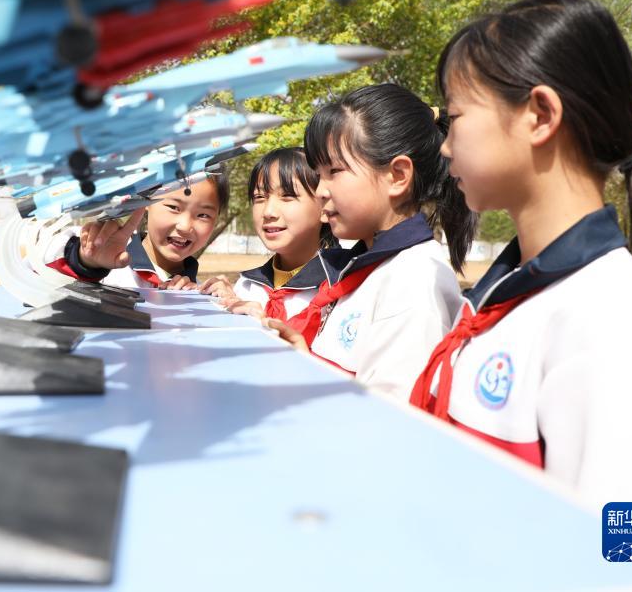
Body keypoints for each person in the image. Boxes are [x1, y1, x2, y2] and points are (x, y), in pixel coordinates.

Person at [408, 0, 632, 553]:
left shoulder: (610, 323)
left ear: (539, 115)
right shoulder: (511, 296)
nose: (444, 147)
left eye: (455, 118)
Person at [271, 83, 476, 400]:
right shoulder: (371, 268)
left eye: (334, 171)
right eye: (318, 174)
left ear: (398, 176)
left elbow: (388, 416)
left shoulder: (413, 279)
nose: (320, 190)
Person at [200, 147, 334, 321]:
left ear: (325, 205)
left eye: (287, 196)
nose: (268, 212)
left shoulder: (340, 288)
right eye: (259, 197)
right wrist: (224, 303)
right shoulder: (246, 286)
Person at [47, 174, 229, 289]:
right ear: (147, 202)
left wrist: (221, 306)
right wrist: (87, 262)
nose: (185, 226)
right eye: (174, 207)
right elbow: (44, 264)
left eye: (203, 215)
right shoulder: (110, 256)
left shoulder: (198, 293)